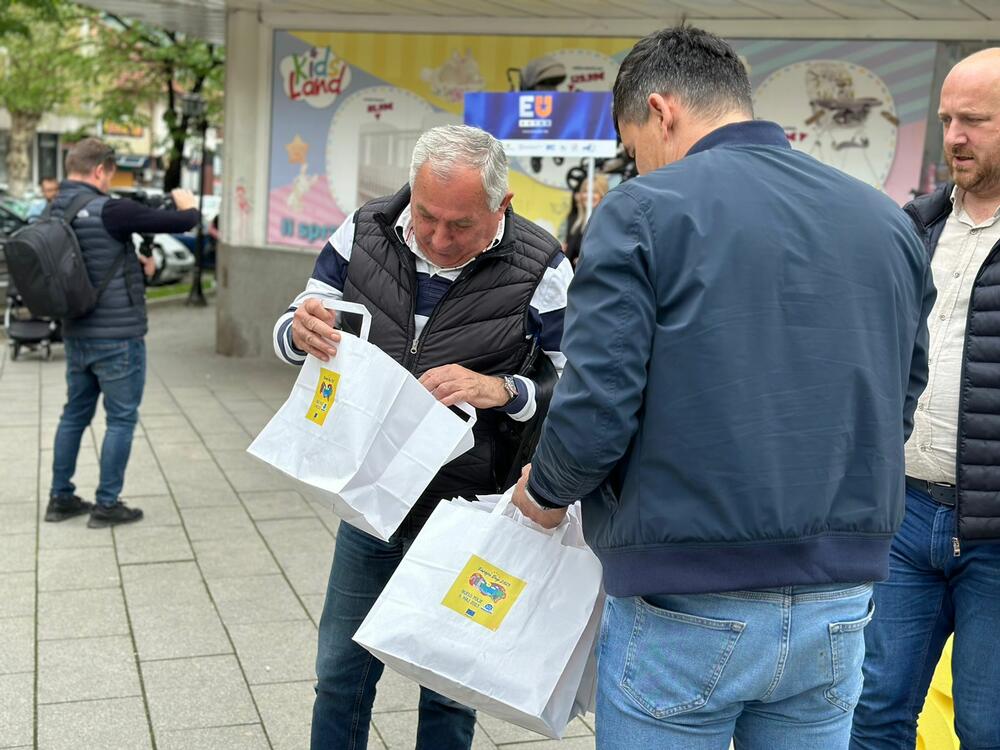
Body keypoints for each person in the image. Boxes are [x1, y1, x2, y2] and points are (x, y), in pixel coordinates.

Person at [510, 26, 934, 750]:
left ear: (661, 110)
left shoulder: (640, 212)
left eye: (633, 146)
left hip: (685, 599)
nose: (637, 164)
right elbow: (901, 395)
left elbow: (598, 405)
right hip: (838, 599)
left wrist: (546, 493)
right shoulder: (886, 221)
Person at [272, 124, 571, 750]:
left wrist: (504, 390)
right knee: (340, 673)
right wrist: (296, 333)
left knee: (448, 690)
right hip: (371, 499)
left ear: (503, 205)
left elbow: (578, 382)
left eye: (460, 225)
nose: (437, 237)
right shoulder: (365, 229)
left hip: (470, 510)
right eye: (426, 215)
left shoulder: (543, 266)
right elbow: (300, 321)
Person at [851, 48, 1000, 750]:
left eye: (974, 120)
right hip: (905, 513)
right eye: (945, 120)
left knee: (986, 726)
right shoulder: (914, 225)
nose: (954, 137)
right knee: (873, 713)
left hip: (996, 534)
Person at [45, 137, 200, 528]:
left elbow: (86, 261)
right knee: (120, 420)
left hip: (76, 333)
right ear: (101, 170)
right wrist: (188, 203)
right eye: (110, 175)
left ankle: (60, 498)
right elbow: (184, 222)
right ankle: (106, 504)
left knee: (73, 414)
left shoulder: (54, 208)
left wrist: (135, 263)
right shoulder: (111, 210)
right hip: (117, 338)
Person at [563, 172, 608, 267]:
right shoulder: (574, 220)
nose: (588, 196)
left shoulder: (606, 221)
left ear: (602, 195)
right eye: (585, 191)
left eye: (594, 192)